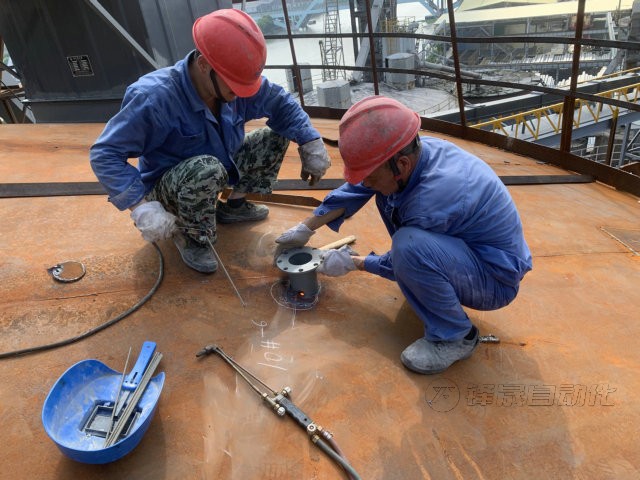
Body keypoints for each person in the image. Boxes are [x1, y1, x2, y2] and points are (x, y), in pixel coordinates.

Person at [276, 96, 532, 375]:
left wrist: (353, 262)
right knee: (387, 198)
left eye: (370, 176)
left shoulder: (434, 199)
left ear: (403, 165)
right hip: (467, 252)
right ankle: (429, 282)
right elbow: (358, 188)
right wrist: (306, 228)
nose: (367, 182)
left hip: (493, 280)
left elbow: (405, 253)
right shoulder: (411, 153)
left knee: (409, 247)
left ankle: (456, 336)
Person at [90, 9, 330, 273]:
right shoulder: (154, 98)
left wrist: (310, 141)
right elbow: (105, 154)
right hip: (171, 189)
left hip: (217, 167)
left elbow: (280, 102)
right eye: (234, 86)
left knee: (274, 136)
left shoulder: (230, 83)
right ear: (204, 65)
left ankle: (235, 206)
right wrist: (141, 208)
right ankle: (193, 237)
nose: (240, 95)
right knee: (207, 168)